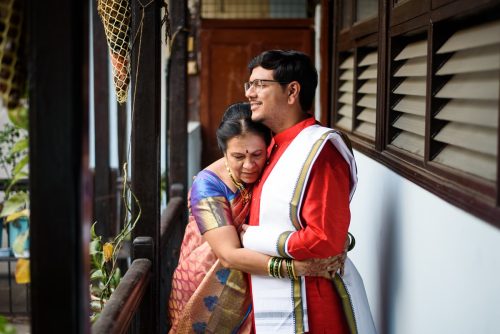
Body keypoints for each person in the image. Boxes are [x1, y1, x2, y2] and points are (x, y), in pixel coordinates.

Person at [168, 102, 347, 334]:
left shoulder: (275, 168)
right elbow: (228, 255)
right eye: (238, 156)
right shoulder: (208, 186)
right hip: (207, 289)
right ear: (223, 152)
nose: (249, 165)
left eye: (256, 154)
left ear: (269, 148)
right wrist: (299, 267)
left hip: (257, 282)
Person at [241, 50, 376, 333]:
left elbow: (325, 239)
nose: (250, 93)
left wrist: (252, 237)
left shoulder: (320, 150)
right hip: (273, 293)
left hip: (312, 305)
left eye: (260, 84)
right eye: (249, 84)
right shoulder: (270, 147)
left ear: (292, 91)